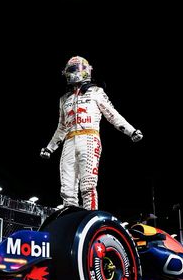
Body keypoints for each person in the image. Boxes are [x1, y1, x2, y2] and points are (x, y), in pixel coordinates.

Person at [40, 55, 143, 210]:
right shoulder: (63, 99)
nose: (73, 73)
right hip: (69, 141)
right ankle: (70, 216)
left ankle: (90, 216)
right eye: (71, 70)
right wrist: (50, 147)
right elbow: (61, 127)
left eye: (76, 69)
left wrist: (131, 131)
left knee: (88, 184)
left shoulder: (96, 92)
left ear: (86, 71)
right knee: (67, 188)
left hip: (89, 138)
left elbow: (112, 114)